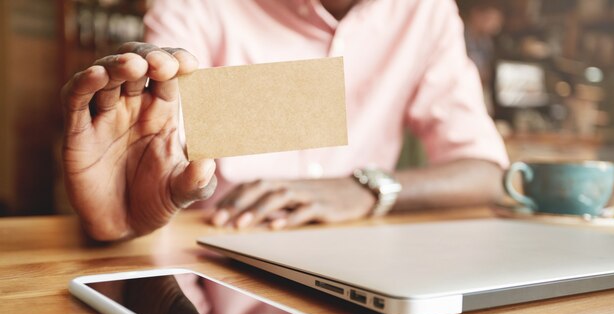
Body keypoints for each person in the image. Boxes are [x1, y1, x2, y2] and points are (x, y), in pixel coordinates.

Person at [61, 0, 509, 242]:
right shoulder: (199, 8)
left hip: (363, 256)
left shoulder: (425, 12)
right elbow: (154, 153)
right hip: (216, 256)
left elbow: (486, 174)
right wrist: (127, 203)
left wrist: (365, 188)